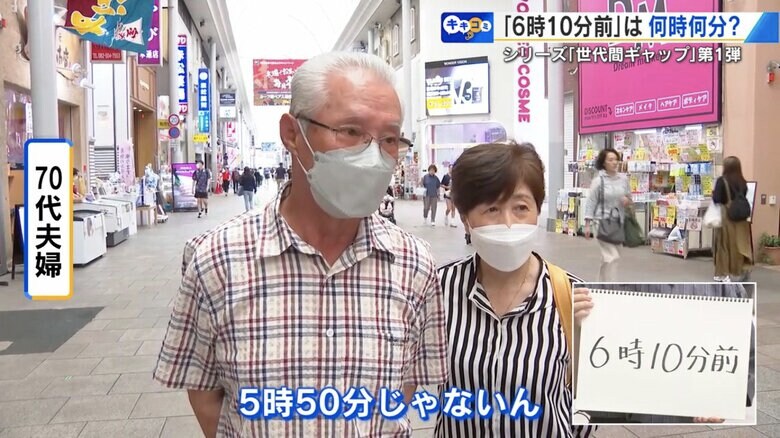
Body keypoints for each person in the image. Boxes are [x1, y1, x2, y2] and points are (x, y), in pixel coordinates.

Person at [155, 51, 447, 437]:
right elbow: (205, 392)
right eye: (351, 131)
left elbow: (405, 387)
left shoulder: (414, 264)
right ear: (293, 134)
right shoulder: (216, 259)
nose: (374, 156)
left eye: (390, 139)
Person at [434, 141, 595, 437]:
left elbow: (592, 405)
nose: (508, 224)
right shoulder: (438, 290)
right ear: (466, 219)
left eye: (521, 208)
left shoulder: (572, 296)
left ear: (537, 210)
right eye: (492, 209)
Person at [573, 283, 755, 424]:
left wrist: (727, 399)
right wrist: (572, 322)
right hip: (612, 410)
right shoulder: (597, 282)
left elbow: (743, 346)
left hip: (686, 412)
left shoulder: (723, 287)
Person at [584, 148, 631, 282]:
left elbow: (629, 197)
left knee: (608, 258)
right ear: (604, 163)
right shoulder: (598, 181)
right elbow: (591, 202)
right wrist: (587, 224)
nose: (614, 162)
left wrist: (627, 200)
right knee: (612, 257)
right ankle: (611, 286)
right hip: (601, 222)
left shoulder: (623, 179)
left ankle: (600, 284)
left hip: (618, 223)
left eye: (616, 159)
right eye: (610, 160)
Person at [712, 156, 753, 282]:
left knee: (724, 245)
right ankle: (740, 269)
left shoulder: (722, 181)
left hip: (727, 217)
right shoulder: (743, 182)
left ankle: (724, 273)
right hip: (741, 220)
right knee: (740, 246)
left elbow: (717, 199)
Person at [441, 163, 457, 228]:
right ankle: (446, 216)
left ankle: (452, 222)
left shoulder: (456, 176)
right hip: (448, 194)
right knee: (449, 208)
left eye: (452, 168)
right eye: (450, 168)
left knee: (453, 208)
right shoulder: (445, 176)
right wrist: (447, 187)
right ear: (448, 168)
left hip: (454, 194)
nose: (451, 169)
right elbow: (441, 184)